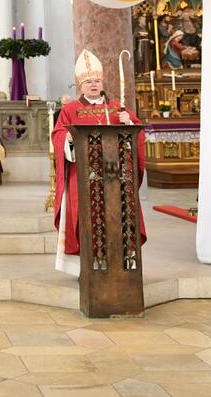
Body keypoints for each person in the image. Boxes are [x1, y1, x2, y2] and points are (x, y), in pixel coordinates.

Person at [52, 50, 146, 277]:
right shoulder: (70, 110)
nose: (93, 85)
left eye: (97, 81)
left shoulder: (116, 108)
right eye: (88, 82)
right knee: (87, 221)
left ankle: (121, 262)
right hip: (84, 177)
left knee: (117, 219)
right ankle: (87, 268)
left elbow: (136, 136)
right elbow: (58, 136)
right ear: (79, 85)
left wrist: (130, 124)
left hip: (115, 176)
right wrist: (68, 138)